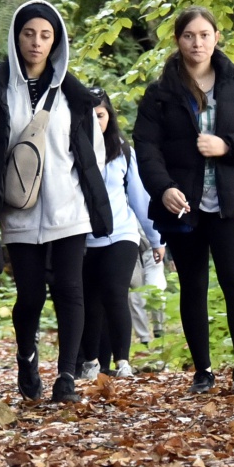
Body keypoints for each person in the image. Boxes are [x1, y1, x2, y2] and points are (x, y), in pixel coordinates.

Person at [0, 0, 112, 404]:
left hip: (68, 210)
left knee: (71, 291)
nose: (36, 43)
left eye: (45, 35)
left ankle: (66, 378)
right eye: (28, 34)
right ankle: (27, 359)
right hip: (18, 212)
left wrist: (92, 203)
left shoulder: (76, 96)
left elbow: (91, 155)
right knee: (30, 296)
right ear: (16, 37)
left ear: (56, 40)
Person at [133, 6, 234, 395]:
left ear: (216, 38)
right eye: (188, 36)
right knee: (193, 286)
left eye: (204, 34)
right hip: (184, 206)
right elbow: (146, 148)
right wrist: (163, 188)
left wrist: (227, 145)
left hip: (232, 203)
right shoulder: (160, 93)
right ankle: (203, 371)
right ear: (178, 40)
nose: (197, 42)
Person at [79, 88, 163, 381]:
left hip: (121, 234)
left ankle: (123, 361)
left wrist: (156, 239)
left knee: (116, 293)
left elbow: (140, 198)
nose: (95, 121)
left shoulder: (123, 151)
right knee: (89, 300)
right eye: (88, 116)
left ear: (109, 117)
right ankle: (91, 362)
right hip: (82, 237)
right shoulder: (70, 151)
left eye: (100, 115)